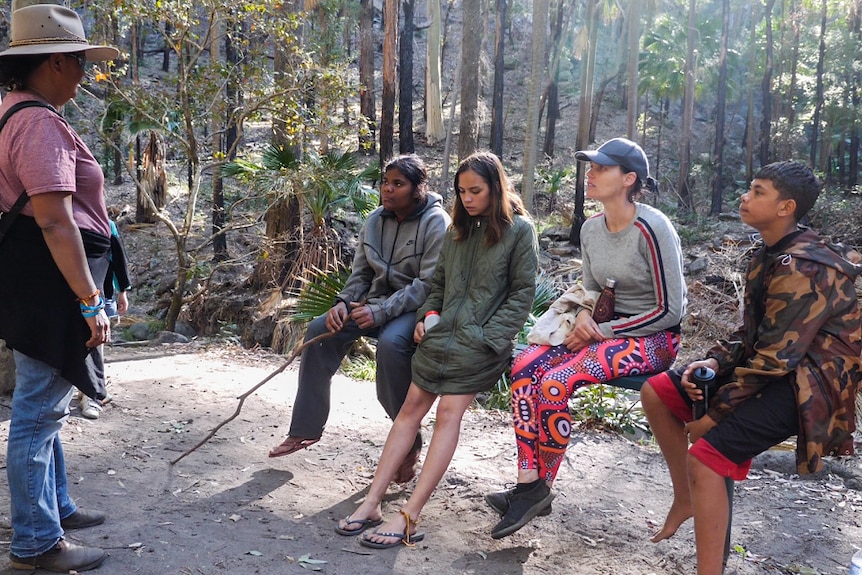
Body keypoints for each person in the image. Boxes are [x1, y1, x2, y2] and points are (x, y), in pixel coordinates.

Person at [641, 161, 861, 575]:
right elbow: (752, 334)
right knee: (659, 391)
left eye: (758, 191)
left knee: (705, 457)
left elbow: (778, 357)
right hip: (779, 365)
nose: (745, 196)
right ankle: (685, 497)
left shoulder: (802, 267)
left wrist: (714, 414)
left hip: (812, 385)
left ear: (786, 207)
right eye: (750, 188)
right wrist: (712, 360)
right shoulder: (770, 254)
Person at [335, 150, 538, 548]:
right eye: (462, 191)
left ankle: (409, 514)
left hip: (480, 345)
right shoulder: (457, 230)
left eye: (475, 190)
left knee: (448, 415)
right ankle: (373, 502)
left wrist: (487, 338)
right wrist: (428, 314)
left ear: (496, 188)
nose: (467, 198)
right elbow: (438, 284)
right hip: (439, 338)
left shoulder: (520, 231)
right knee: (409, 412)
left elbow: (521, 296)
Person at [487, 137, 687, 539]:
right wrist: (581, 317)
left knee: (557, 380)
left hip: (653, 339)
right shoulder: (592, 228)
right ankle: (529, 484)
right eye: (590, 167)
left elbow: (671, 311)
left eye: (602, 168)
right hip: (600, 331)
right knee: (525, 366)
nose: (590, 174)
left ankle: (540, 489)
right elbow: (593, 291)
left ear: (629, 179)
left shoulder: (652, 226)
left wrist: (603, 331)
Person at [0, 4, 120, 572]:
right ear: (52, 62)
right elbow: (54, 219)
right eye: (78, 63)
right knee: (38, 411)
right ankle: (37, 542)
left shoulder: (18, 113)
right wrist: (88, 299)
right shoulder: (37, 123)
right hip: (52, 287)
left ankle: (56, 506)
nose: (83, 75)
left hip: (39, 283)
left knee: (49, 397)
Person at [269, 154, 450, 483]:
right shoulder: (374, 221)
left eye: (399, 184)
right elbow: (361, 274)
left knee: (392, 347)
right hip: (373, 303)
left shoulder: (437, 222)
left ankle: (408, 441)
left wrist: (379, 311)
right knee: (319, 328)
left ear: (418, 189)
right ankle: (305, 429)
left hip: (415, 309)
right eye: (386, 182)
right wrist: (343, 302)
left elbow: (427, 285)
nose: (388, 190)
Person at [76, 217, 132, 419]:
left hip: (102, 296)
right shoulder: (61, 221)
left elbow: (118, 259)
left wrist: (122, 291)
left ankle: (92, 394)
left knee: (97, 341)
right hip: (71, 299)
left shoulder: (107, 225)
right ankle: (84, 388)